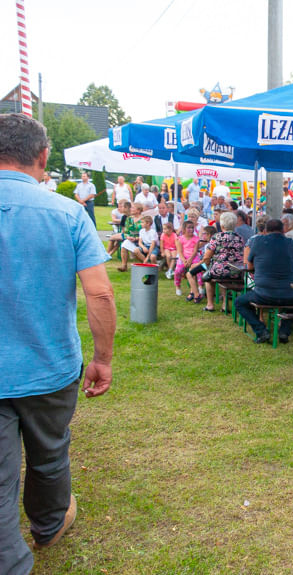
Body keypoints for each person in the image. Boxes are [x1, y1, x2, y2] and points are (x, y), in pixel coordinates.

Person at [0, 113, 115, 573]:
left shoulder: (67, 212)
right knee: (49, 453)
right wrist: (103, 358)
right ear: (43, 157)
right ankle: (47, 525)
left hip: (37, 365)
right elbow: (101, 291)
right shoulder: (67, 213)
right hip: (49, 364)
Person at [235, 219, 293, 344]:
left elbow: (249, 267)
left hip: (264, 295)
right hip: (289, 294)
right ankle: (284, 331)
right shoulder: (290, 243)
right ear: (283, 230)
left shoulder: (258, 241)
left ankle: (261, 331)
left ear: (265, 230)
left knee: (239, 302)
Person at [200, 212, 246, 312]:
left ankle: (210, 305)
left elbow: (207, 256)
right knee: (223, 277)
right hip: (236, 271)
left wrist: (207, 265)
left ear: (222, 224)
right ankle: (225, 305)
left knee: (209, 277)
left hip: (219, 270)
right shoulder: (240, 238)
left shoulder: (217, 237)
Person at [174, 221, 200, 297]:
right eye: (189, 228)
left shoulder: (196, 239)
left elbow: (195, 251)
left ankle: (200, 286)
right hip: (183, 257)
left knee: (198, 270)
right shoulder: (179, 239)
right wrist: (184, 260)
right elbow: (180, 251)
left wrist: (190, 259)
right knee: (178, 271)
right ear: (184, 229)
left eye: (192, 227)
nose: (191, 229)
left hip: (193, 257)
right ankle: (178, 285)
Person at [117, 202, 145, 272]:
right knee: (124, 245)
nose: (130, 209)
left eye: (132, 208)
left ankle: (147, 264)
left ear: (138, 210)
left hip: (141, 241)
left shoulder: (144, 219)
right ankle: (124, 266)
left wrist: (136, 238)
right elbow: (126, 231)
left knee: (136, 251)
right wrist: (128, 237)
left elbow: (145, 234)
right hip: (131, 239)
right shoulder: (129, 219)